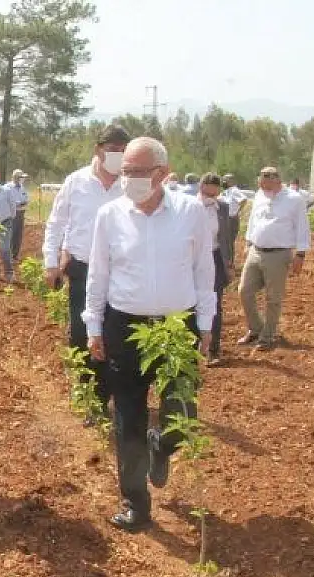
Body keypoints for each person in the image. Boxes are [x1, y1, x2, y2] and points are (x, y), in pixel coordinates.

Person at [84, 137, 216, 532]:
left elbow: (203, 272)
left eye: (138, 172)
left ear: (162, 173)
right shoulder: (110, 215)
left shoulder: (191, 212)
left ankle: (165, 445)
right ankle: (135, 503)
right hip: (126, 326)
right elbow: (99, 274)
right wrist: (94, 325)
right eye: (125, 171)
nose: (129, 179)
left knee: (182, 410)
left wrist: (205, 324)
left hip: (178, 325)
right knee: (128, 414)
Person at [42, 124, 130, 423]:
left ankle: (106, 397)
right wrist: (50, 262)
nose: (117, 156)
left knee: (112, 333)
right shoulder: (76, 181)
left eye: (122, 150)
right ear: (98, 149)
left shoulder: (129, 185)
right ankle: (87, 394)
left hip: (119, 271)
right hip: (82, 267)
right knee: (82, 334)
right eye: (112, 150)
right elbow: (56, 223)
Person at [237, 166, 312, 351]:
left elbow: (302, 227)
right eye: (261, 185)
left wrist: (300, 254)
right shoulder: (261, 195)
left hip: (279, 254)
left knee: (273, 297)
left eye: (265, 184)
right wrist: (248, 243)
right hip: (256, 250)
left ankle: (267, 336)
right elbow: (254, 220)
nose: (262, 188)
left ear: (276, 180)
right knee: (244, 291)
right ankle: (256, 328)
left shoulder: (294, 199)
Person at [199, 173, 236, 366]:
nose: (211, 198)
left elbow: (227, 238)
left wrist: (229, 263)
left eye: (214, 194)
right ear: (201, 187)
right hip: (192, 259)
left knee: (214, 304)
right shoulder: (190, 206)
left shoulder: (222, 208)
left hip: (214, 258)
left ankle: (213, 350)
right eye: (207, 194)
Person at [221, 174, 249, 263]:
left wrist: (237, 212)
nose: (223, 182)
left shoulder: (234, 190)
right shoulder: (227, 191)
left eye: (225, 180)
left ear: (231, 181)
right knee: (226, 241)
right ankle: (228, 260)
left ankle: (230, 262)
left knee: (229, 241)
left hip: (231, 219)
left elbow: (244, 200)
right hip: (227, 218)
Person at [5, 169, 30, 261]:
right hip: (11, 213)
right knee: (11, 234)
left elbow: (26, 199)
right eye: (21, 177)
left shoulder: (23, 188)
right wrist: (18, 203)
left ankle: (15, 255)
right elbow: (7, 200)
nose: (23, 179)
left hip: (21, 213)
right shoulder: (7, 187)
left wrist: (22, 203)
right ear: (16, 178)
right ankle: (8, 255)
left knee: (18, 235)